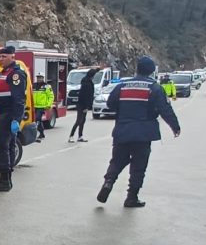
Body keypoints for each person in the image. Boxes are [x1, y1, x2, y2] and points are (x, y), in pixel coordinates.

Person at [97, 56, 180, 207]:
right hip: (143, 133)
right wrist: (175, 126)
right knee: (138, 166)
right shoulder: (154, 87)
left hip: (122, 131)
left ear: (137, 69)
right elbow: (165, 109)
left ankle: (108, 182)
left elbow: (110, 104)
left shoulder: (122, 86)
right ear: (152, 71)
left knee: (117, 161)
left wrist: (123, 111)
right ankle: (131, 197)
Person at [0, 45, 27, 192]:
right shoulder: (3, 73)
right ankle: (5, 179)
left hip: (9, 114)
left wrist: (16, 120)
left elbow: (19, 99)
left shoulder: (16, 74)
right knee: (8, 146)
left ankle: (5, 180)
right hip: (2, 113)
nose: (1, 59)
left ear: (12, 56)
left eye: (4, 57)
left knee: (1, 147)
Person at [69, 68, 97, 143]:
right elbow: (85, 96)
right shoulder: (87, 83)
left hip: (83, 104)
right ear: (92, 75)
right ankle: (71, 136)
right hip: (82, 105)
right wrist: (86, 106)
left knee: (83, 120)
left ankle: (80, 136)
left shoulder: (87, 81)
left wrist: (98, 69)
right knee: (79, 120)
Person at [32, 72, 54, 142]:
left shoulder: (47, 86)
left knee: (38, 119)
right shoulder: (33, 85)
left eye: (40, 77)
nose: (39, 79)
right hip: (34, 106)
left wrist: (48, 105)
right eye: (38, 77)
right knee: (37, 120)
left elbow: (51, 96)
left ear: (43, 78)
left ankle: (35, 135)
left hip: (42, 106)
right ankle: (42, 133)